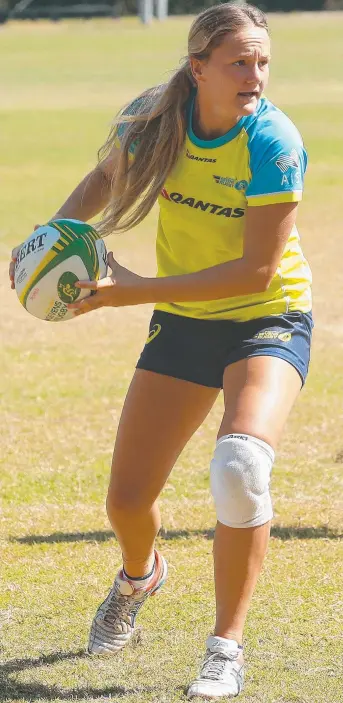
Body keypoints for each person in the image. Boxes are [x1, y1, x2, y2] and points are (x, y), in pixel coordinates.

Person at [9, 3, 313, 699]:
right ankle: (139, 575)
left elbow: (255, 273)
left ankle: (224, 647)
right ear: (196, 66)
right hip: (184, 320)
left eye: (263, 61)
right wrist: (51, 238)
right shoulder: (155, 118)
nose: (255, 75)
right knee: (125, 501)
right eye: (239, 61)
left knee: (239, 466)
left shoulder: (274, 141)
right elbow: (106, 180)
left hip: (265, 318)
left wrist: (132, 290)